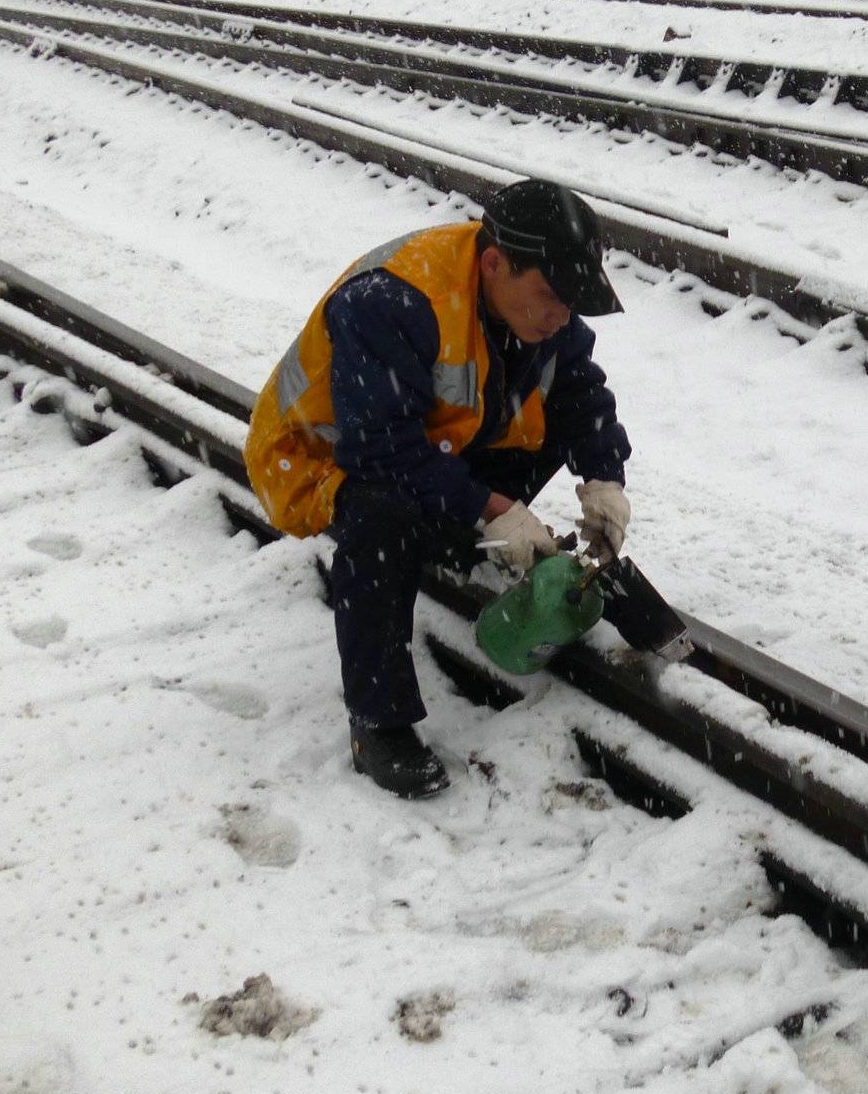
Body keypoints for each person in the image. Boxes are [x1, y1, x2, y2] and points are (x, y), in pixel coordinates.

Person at [245, 179, 634, 800]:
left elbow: (581, 391)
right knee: (385, 515)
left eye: (572, 302)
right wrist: (491, 508)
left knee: (552, 420)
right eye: (552, 297)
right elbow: (377, 448)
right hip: (322, 459)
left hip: (435, 442)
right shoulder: (394, 298)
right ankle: (378, 723)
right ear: (493, 263)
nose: (562, 315)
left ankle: (451, 535)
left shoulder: (539, 309)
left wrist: (605, 479)